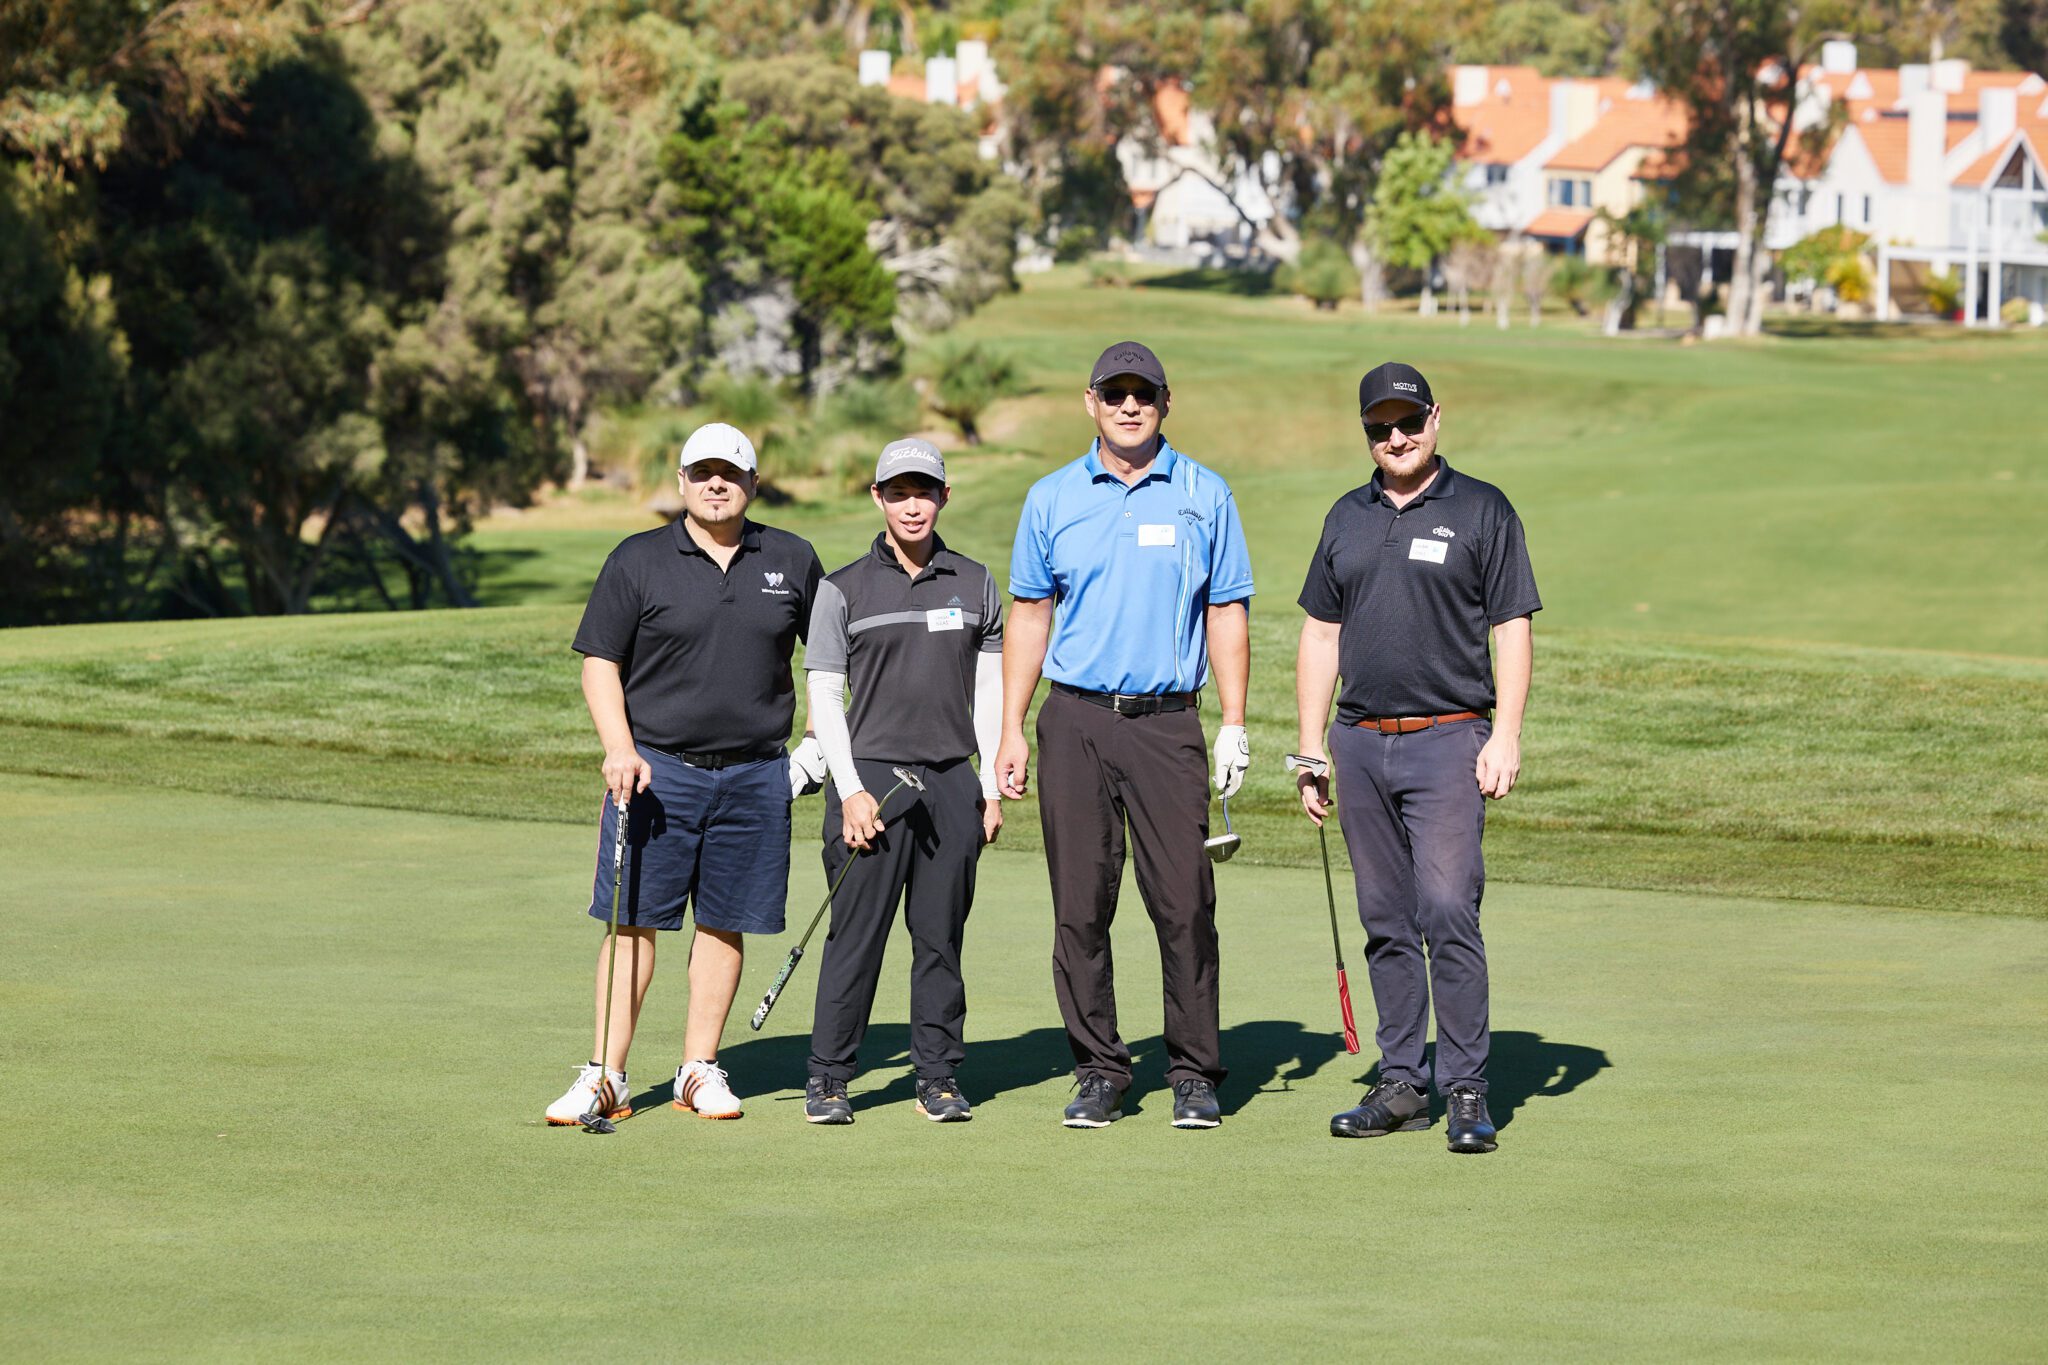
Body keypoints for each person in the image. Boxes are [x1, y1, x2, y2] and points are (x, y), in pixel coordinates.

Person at [996, 340, 1254, 1131]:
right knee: (1080, 907)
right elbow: (1030, 614)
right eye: (1116, 393)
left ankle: (1194, 1071)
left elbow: (1226, 609)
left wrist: (1233, 722)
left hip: (1167, 723)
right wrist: (1010, 727)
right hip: (1075, 719)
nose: (1130, 406)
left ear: (1166, 403)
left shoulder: (1205, 493)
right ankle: (1100, 1068)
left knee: (1184, 904)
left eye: (1144, 393)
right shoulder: (1051, 497)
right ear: (1092, 402)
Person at [544, 422, 828, 1127]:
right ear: (681, 482)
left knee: (725, 922)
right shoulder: (638, 559)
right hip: (655, 774)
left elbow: (829, 662)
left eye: (729, 473)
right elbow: (600, 663)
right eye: (702, 472)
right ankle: (607, 1074)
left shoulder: (791, 558)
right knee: (632, 922)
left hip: (757, 775)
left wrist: (815, 748)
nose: (715, 484)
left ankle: (698, 1068)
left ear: (753, 483)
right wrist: (619, 746)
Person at [1292, 361, 1539, 1155]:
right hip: (1360, 742)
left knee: (1447, 908)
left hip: (1449, 737)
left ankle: (1465, 1086)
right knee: (1385, 918)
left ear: (1436, 418)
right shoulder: (1347, 515)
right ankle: (1401, 1082)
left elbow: (1512, 625)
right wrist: (1310, 744)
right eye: (1379, 427)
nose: (1395, 437)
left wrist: (1506, 733)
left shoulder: (1482, 508)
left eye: (1408, 421)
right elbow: (1321, 633)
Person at [799, 438, 1005, 1125]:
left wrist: (991, 786)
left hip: (951, 782)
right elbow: (825, 697)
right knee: (857, 936)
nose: (911, 505)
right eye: (898, 492)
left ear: (944, 496)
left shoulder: (975, 581)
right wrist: (849, 790)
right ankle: (829, 1076)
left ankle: (938, 1076)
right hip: (871, 783)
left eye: (923, 491)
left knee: (940, 939)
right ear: (877, 498)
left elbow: (990, 688)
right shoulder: (842, 588)